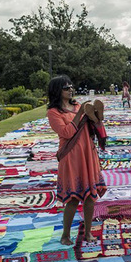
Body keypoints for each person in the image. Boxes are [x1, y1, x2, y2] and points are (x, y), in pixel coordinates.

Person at [46, 75, 107, 245]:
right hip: (71, 156)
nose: (70, 89)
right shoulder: (53, 112)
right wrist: (80, 113)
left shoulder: (77, 105)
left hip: (87, 152)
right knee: (72, 198)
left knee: (90, 196)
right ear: (57, 90)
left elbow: (87, 129)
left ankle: (88, 233)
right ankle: (65, 235)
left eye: (71, 86)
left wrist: (94, 119)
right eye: (66, 87)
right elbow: (66, 133)